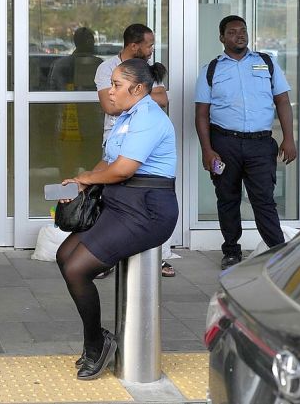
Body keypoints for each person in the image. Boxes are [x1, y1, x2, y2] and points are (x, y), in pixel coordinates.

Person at [56, 58, 178, 381]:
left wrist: (89, 178)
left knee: (77, 268)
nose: (110, 92)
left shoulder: (148, 116)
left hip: (147, 211)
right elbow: (109, 161)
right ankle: (98, 339)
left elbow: (124, 169)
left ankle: (96, 344)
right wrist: (82, 181)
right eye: (111, 84)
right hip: (120, 204)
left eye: (116, 85)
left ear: (138, 89)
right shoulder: (126, 117)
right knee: (64, 255)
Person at [194, 15, 296, 270]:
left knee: (264, 199)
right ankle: (231, 251)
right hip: (224, 143)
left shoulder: (266, 63)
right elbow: (202, 114)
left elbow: (283, 101)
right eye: (232, 32)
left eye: (243, 31)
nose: (239, 35)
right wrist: (207, 150)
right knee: (227, 198)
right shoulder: (211, 69)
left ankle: (278, 252)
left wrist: (289, 138)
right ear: (222, 38)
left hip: (260, 144)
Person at [94, 23, 174, 278]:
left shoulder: (146, 78)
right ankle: (108, 255)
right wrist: (144, 97)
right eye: (149, 45)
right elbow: (109, 106)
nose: (151, 50)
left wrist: (138, 100)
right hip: (116, 138)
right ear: (134, 45)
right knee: (113, 198)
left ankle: (156, 257)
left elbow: (162, 99)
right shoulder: (107, 67)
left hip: (143, 146)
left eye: (118, 85)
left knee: (141, 207)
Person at [48, 26, 102, 91]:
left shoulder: (60, 64)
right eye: (93, 41)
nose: (93, 44)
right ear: (89, 42)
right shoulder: (99, 64)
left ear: (75, 42)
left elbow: (54, 89)